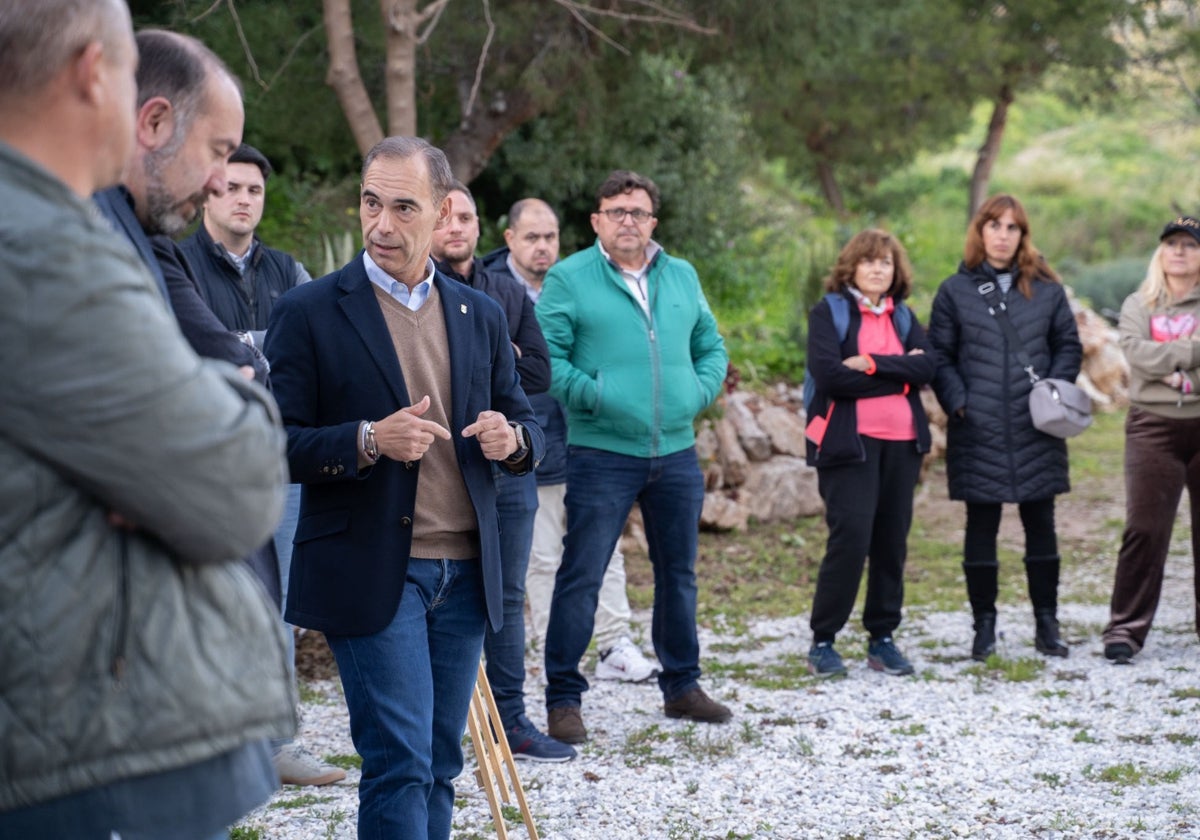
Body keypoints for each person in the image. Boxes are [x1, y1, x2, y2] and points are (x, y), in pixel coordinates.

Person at [0, 2, 294, 838]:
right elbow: (228, 486)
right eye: (220, 155)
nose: (219, 180)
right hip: (75, 751)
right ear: (97, 74)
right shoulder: (44, 246)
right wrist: (224, 405)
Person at [263, 136, 544, 840]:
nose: (382, 224)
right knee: (399, 760)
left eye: (402, 207)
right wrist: (366, 439)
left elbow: (528, 423)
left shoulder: (478, 313)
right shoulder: (309, 311)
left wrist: (512, 442)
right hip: (373, 571)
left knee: (440, 762)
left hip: (467, 575)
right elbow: (272, 445)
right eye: (369, 202)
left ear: (443, 210)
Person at [536, 169, 731, 745]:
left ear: (653, 221)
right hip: (601, 451)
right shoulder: (570, 277)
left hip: (675, 451)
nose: (629, 221)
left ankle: (682, 687)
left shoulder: (681, 274)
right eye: (617, 211)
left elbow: (711, 347)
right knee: (582, 574)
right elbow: (548, 358)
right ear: (597, 220)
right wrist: (598, 397)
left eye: (638, 212)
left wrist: (695, 395)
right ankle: (564, 698)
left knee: (679, 574)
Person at [179, 143, 343, 786]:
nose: (245, 199)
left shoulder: (288, 271)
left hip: (279, 465)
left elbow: (310, 359)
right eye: (233, 188)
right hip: (205, 466)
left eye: (255, 190)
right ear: (208, 193)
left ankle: (276, 745)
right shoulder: (178, 265)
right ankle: (201, 748)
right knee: (202, 599)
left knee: (279, 605)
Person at [430, 183, 574, 763]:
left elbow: (537, 373)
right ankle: (434, 723)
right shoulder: (412, 295)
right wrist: (497, 356)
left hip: (508, 464)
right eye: (445, 217)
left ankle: (510, 721)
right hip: (439, 462)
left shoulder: (506, 293)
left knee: (508, 595)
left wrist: (488, 357)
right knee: (434, 593)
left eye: (465, 216)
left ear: (479, 226)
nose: (457, 227)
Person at [498, 197, 662, 683]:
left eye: (550, 237)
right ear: (510, 239)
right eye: (532, 237)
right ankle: (555, 655)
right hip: (534, 444)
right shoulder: (495, 292)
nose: (543, 247)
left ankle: (615, 643)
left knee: (605, 549)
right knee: (544, 557)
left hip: (590, 442)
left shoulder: (582, 281)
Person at [928, 194, 1083, 661]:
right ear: (980, 231)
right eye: (993, 225)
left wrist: (1051, 394)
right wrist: (959, 404)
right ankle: (984, 628)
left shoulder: (1049, 292)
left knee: (1041, 524)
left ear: (1023, 235)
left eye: (1011, 227)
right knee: (981, 525)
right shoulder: (953, 291)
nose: (1001, 234)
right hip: (978, 427)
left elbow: (1068, 348)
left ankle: (1046, 624)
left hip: (1037, 425)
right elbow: (940, 357)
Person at [803, 229, 937, 678]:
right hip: (848, 445)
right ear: (852, 267)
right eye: (869, 261)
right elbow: (830, 377)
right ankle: (824, 640)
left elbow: (929, 366)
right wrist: (902, 375)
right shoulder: (831, 312)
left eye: (887, 262)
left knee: (891, 542)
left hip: (902, 444)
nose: (879, 269)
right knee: (851, 539)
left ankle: (882, 637)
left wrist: (875, 364)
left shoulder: (904, 317)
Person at [1102, 216, 1200, 665]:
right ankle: (1125, 629)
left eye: (1189, 244)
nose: (1179, 251)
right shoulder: (1138, 304)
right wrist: (1191, 354)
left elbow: (1150, 359)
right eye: (1171, 244)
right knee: (1144, 529)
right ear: (1160, 253)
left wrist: (1165, 365)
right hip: (1152, 428)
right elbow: (1137, 357)